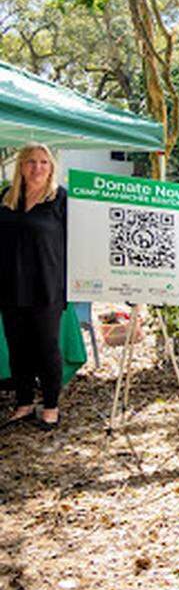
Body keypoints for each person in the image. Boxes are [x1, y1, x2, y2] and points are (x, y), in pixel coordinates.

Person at [0, 144, 67, 431]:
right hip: (10, 286)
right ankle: (24, 402)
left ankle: (51, 405)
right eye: (30, 162)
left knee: (46, 347)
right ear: (21, 166)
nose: (36, 167)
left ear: (51, 167)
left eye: (43, 162)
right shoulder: (6, 197)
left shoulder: (60, 199)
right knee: (18, 348)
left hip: (46, 286)